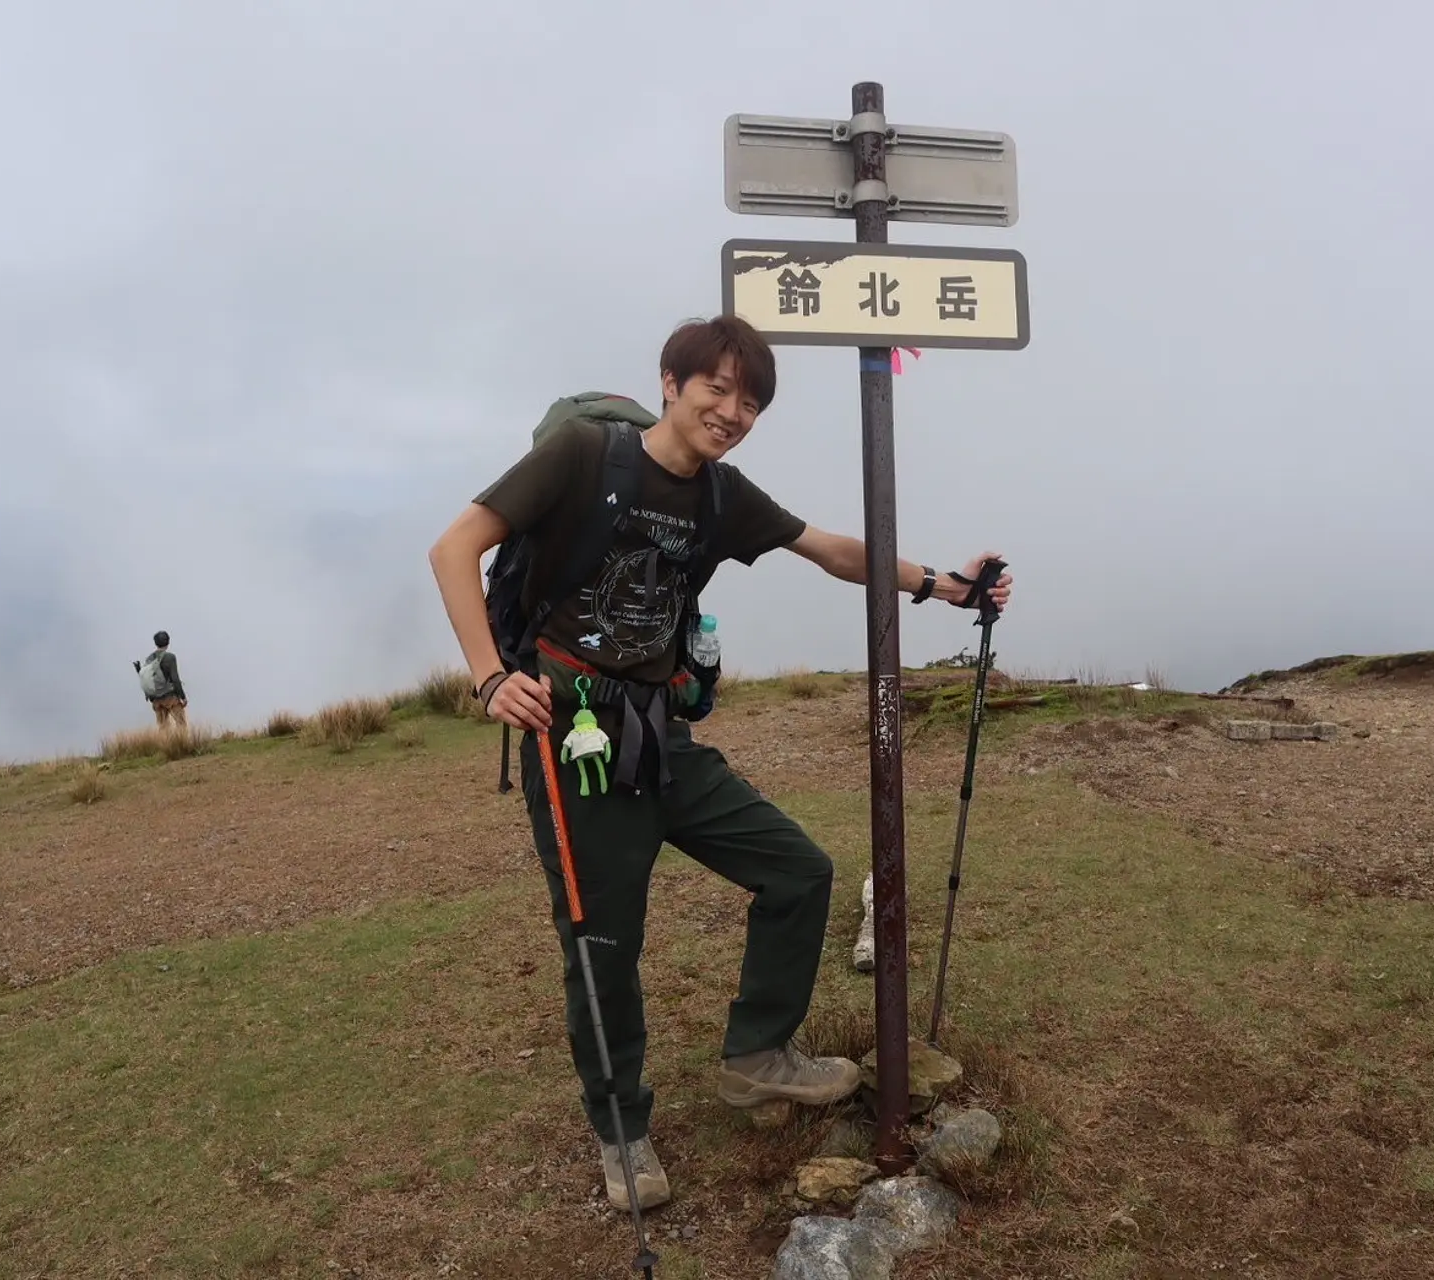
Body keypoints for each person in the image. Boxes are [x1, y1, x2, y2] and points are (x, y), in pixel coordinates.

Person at [427, 314, 1012, 1212]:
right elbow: (455, 545)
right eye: (717, 389)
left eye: (750, 400)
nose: (732, 411)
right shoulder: (584, 456)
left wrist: (941, 583)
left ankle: (756, 1057)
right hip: (572, 735)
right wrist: (489, 677)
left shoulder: (721, 495)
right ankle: (621, 1131)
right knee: (604, 945)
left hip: (662, 732)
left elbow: (832, 552)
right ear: (670, 381)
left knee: (797, 870)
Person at [134, 630, 188, 728]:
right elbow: (175, 679)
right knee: (181, 724)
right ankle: (182, 743)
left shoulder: (150, 658)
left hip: (156, 700)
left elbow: (147, 677)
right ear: (168, 642)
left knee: (163, 728)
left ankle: (163, 743)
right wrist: (183, 697)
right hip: (170, 697)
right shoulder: (170, 657)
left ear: (155, 643)